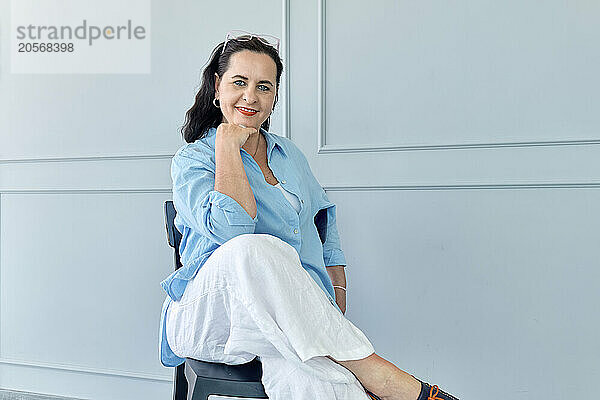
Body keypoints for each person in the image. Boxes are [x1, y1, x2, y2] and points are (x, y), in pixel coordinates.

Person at [158, 30, 460, 400]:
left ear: (275, 97)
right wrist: (226, 146)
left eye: (264, 87)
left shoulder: (290, 155)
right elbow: (233, 232)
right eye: (240, 82)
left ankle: (362, 373)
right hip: (209, 317)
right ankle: (384, 376)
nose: (251, 96)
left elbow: (323, 221)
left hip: (287, 321)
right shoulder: (193, 160)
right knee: (253, 249)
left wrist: (332, 301)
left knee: (313, 372)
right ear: (217, 87)